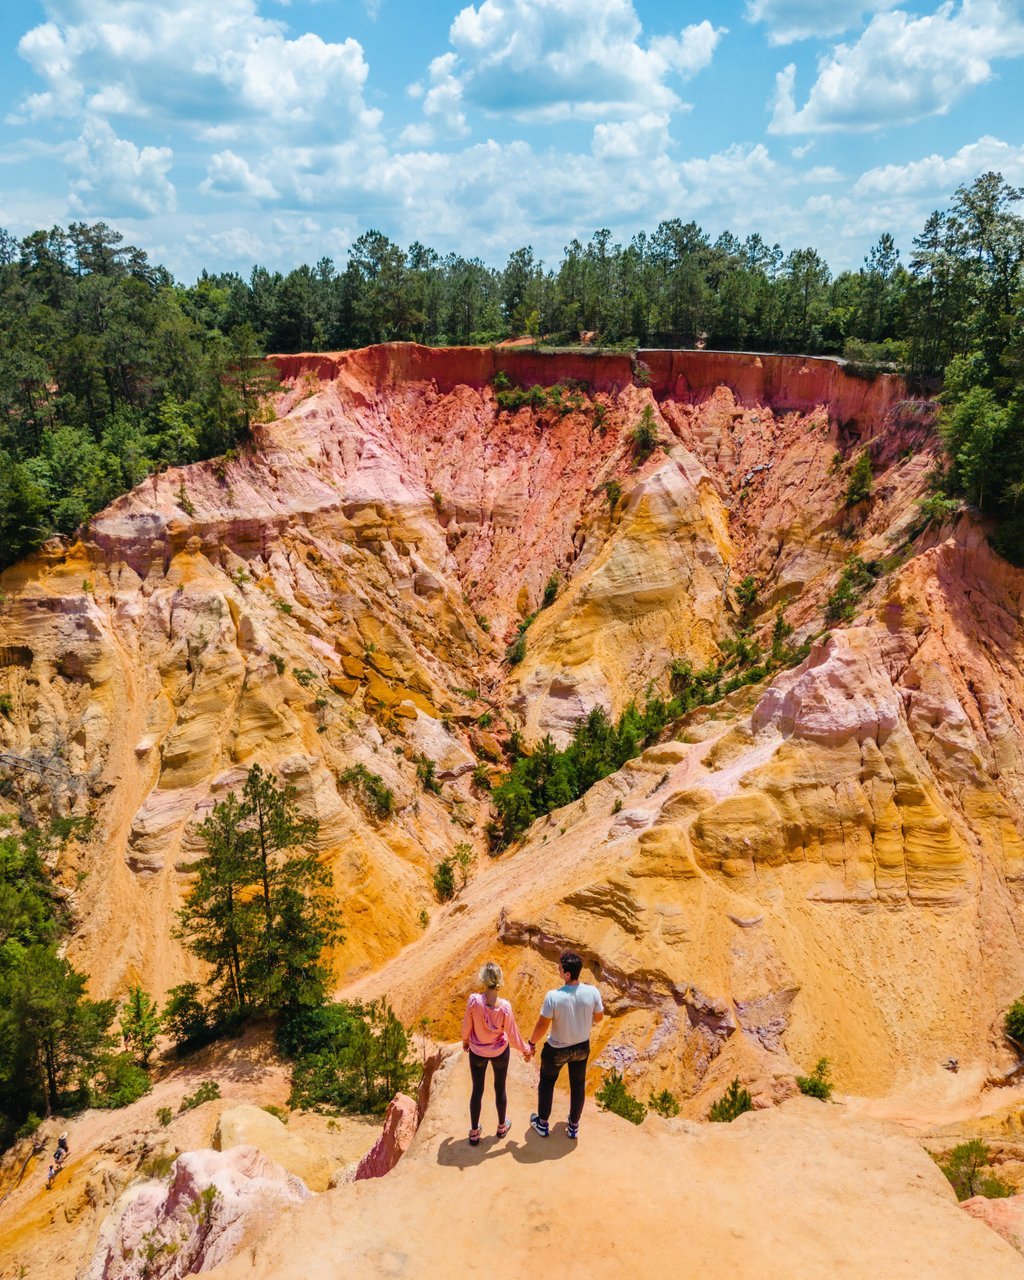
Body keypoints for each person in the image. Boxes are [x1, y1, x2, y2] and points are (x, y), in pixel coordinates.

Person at [528, 950, 604, 1140]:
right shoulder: (592, 991)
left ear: (567, 973)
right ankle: (573, 1126)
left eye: (560, 966)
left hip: (557, 1049)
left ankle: (543, 1123)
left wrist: (531, 1043)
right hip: (581, 1047)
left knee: (547, 1083)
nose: (557, 968)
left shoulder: (554, 996)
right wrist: (584, 1022)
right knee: (577, 1086)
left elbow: (542, 1025)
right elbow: (599, 1018)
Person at [461, 961, 531, 1145]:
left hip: (477, 1052)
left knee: (477, 1090)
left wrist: (466, 1040)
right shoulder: (505, 1007)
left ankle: (474, 1131)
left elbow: (467, 1024)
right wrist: (526, 1050)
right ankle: (501, 1126)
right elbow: (513, 1034)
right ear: (499, 980)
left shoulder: (474, 1001)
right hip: (500, 1052)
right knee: (500, 1088)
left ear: (483, 980)